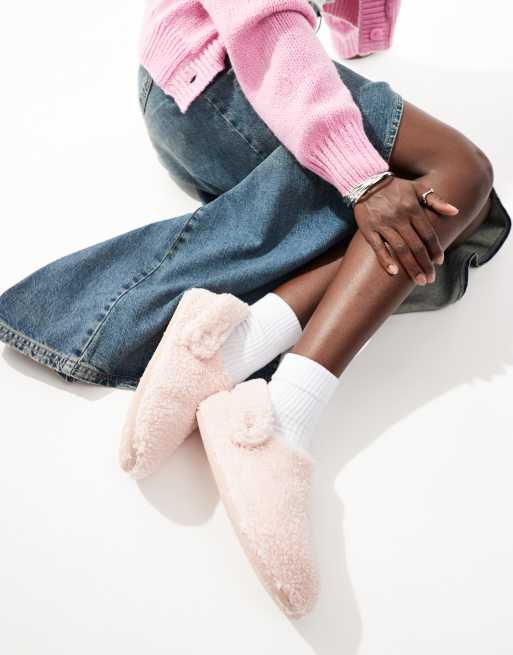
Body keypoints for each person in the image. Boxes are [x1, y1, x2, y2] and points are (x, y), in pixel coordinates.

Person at [0, 0, 511, 618]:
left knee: (444, 223)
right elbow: (262, 24)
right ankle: (283, 411)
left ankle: (231, 345)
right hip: (223, 78)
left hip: (205, 95)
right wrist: (364, 178)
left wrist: (360, 28)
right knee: (460, 173)